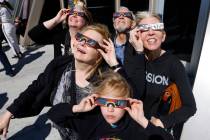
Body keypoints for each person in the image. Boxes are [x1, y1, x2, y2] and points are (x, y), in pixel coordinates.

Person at [0, 23, 130, 139]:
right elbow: (36, 87)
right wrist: (9, 113)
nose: (83, 43)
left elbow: (131, 98)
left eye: (90, 42)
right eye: (81, 38)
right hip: (64, 133)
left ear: (100, 53)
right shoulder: (60, 65)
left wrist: (114, 63)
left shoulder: (107, 78)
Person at [47, 71, 174, 140]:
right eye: (104, 102)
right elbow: (53, 115)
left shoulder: (135, 127)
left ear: (128, 104)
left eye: (118, 103)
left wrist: (143, 121)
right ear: (97, 101)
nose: (110, 108)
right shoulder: (89, 120)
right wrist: (77, 108)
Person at [129, 11, 196, 139]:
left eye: (155, 27)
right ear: (137, 35)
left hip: (154, 130)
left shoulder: (174, 64)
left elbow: (190, 107)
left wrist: (162, 122)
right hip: (132, 126)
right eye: (144, 29)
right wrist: (137, 52)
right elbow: (132, 93)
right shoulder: (135, 58)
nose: (150, 32)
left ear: (163, 36)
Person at [28, 1, 93, 58]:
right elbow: (33, 34)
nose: (74, 15)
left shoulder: (90, 38)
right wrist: (56, 20)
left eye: (79, 14)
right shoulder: (60, 35)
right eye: (71, 12)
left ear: (87, 21)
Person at [112, 6, 145, 99]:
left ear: (133, 23)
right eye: (117, 15)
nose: (121, 17)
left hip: (132, 95)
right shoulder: (106, 43)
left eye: (126, 15)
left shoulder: (139, 44)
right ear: (114, 22)